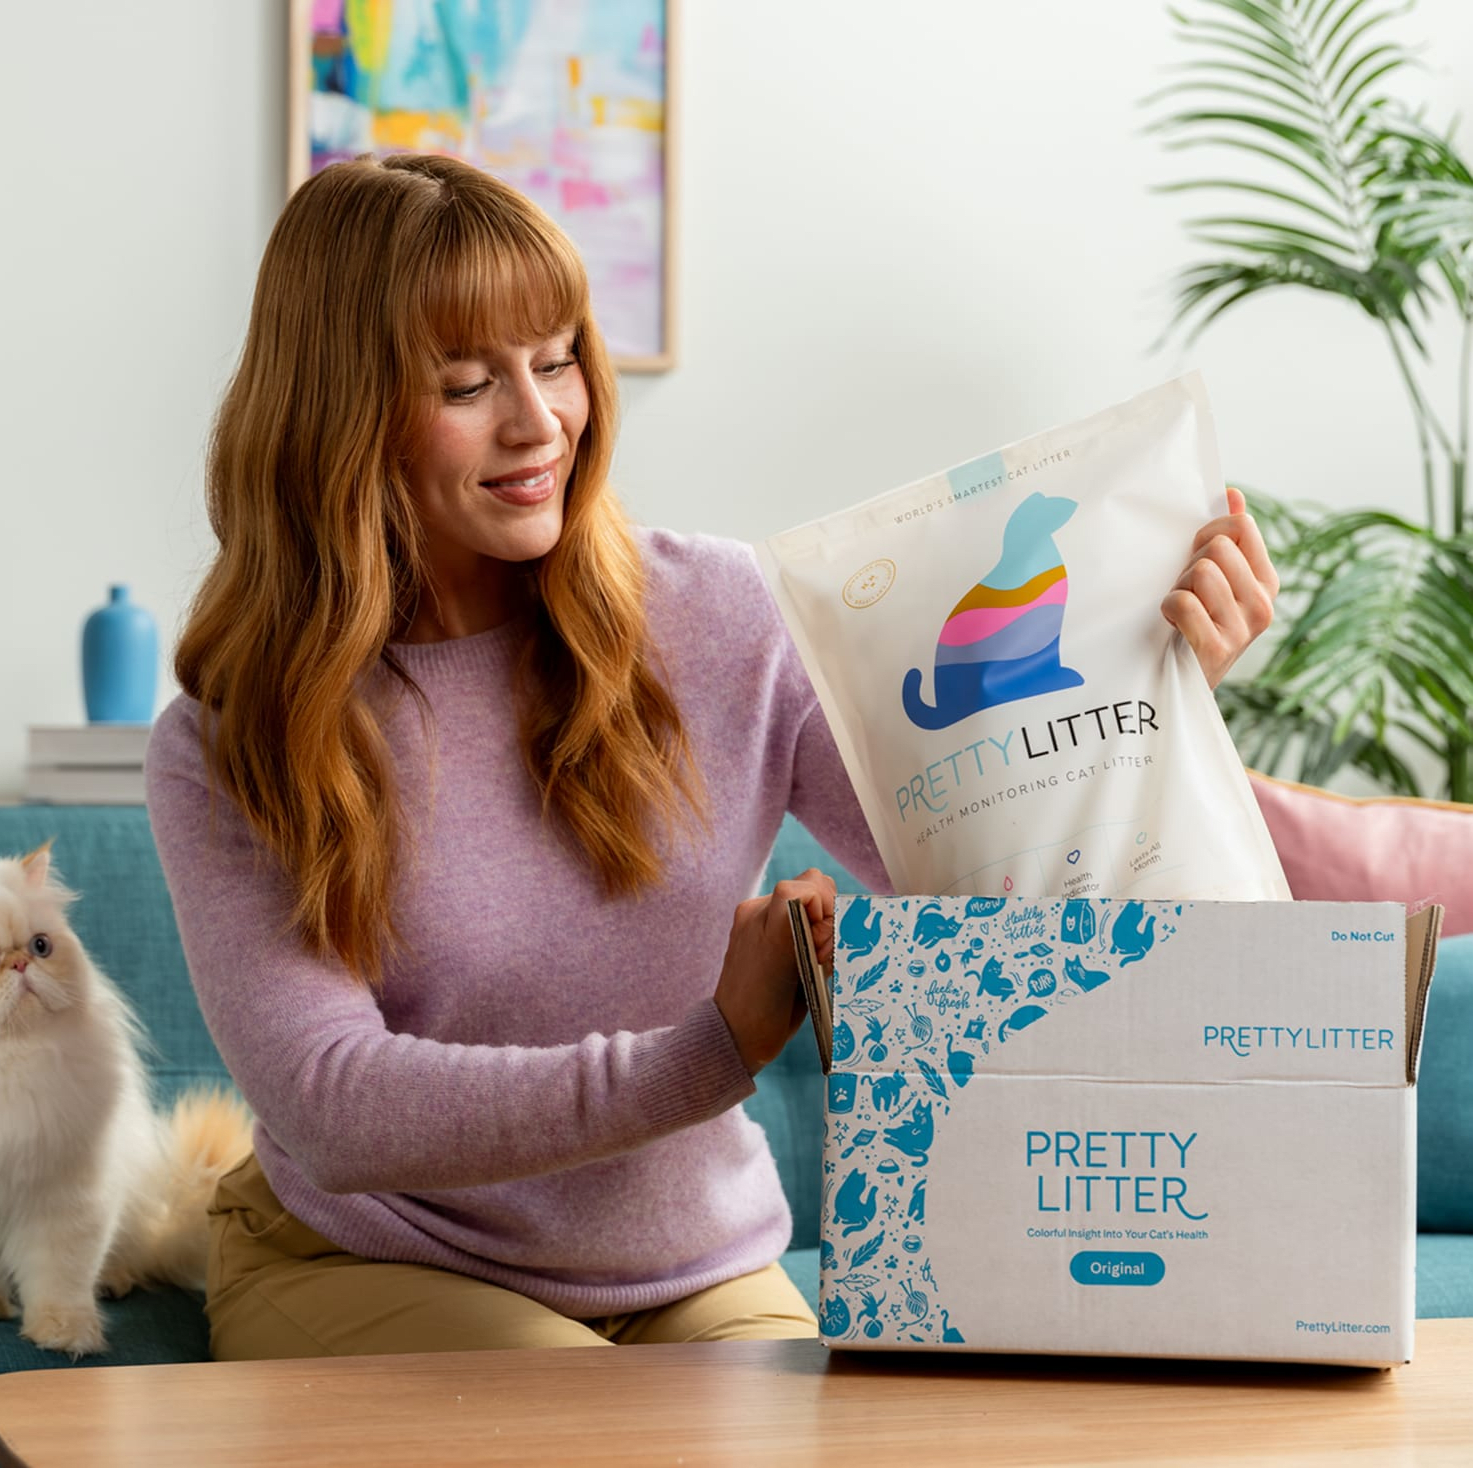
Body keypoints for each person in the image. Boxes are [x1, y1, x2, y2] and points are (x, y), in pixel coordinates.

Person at [144, 153, 1278, 1360]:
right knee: (600, 1430)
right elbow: (332, 1106)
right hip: (366, 1255)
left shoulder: (721, 617)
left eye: (559, 356)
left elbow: (979, 869)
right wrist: (715, 1049)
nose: (541, 423)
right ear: (337, 413)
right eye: (468, 382)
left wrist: (1144, 702)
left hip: (695, 1265)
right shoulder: (229, 740)